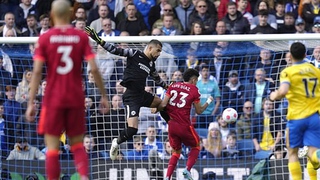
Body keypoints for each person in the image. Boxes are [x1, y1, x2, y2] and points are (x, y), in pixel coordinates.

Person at [25, 1, 109, 180]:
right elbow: (94, 68)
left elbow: (38, 71)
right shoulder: (80, 37)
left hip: (53, 98)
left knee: (53, 148)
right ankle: (84, 176)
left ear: (52, 15)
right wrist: (104, 95)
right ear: (71, 14)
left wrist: (31, 102)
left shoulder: (45, 38)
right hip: (75, 97)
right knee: (77, 144)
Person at [85, 26, 168, 160]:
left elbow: (157, 79)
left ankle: (173, 127)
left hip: (142, 94)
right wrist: (98, 40)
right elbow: (115, 50)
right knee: (132, 130)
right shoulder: (134, 53)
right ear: (150, 48)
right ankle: (116, 142)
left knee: (162, 104)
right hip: (131, 97)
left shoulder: (151, 64)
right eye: (158, 50)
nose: (159, 54)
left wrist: (167, 87)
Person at [270, 42, 320, 180]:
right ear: (305, 55)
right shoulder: (316, 70)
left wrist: (274, 95)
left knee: (292, 153)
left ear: (290, 56)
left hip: (297, 117)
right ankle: (316, 156)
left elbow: (284, 91)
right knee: (312, 152)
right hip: (315, 116)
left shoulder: (288, 71)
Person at [157, 68, 213, 180]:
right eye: (196, 80)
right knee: (196, 146)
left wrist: (155, 107)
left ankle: (167, 177)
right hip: (184, 125)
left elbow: (163, 105)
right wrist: (209, 101)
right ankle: (187, 170)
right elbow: (199, 111)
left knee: (176, 152)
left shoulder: (172, 86)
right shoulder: (194, 90)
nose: (196, 82)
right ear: (193, 80)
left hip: (171, 125)